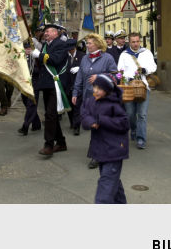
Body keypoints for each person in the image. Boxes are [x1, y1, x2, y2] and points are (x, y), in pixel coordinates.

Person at [81, 74, 129, 203]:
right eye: (94, 86)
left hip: (114, 150)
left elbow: (124, 124)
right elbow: (84, 114)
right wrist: (91, 121)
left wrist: (101, 120)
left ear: (107, 90)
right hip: (100, 150)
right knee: (112, 181)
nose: (95, 90)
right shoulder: (90, 101)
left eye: (99, 88)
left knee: (106, 187)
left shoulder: (114, 104)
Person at [72, 33, 117, 168]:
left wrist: (100, 76)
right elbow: (80, 77)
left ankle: (96, 155)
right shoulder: (85, 59)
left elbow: (117, 76)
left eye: (90, 43)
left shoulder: (107, 58)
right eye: (87, 43)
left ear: (97, 44)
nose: (88, 45)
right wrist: (75, 92)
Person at [27, 23, 70, 156]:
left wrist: (37, 54)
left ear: (56, 33)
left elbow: (55, 60)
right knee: (52, 115)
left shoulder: (60, 44)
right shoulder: (47, 45)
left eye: (49, 31)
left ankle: (49, 144)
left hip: (55, 84)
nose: (45, 33)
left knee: (50, 115)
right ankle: (61, 142)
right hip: (46, 84)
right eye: (45, 32)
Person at [117, 32, 157, 149]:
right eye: (133, 42)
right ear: (129, 42)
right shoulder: (124, 54)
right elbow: (120, 69)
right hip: (129, 87)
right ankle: (133, 129)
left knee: (142, 114)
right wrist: (124, 77)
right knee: (130, 114)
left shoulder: (146, 53)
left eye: (137, 41)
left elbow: (153, 67)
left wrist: (145, 70)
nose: (135, 44)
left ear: (140, 41)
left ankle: (141, 138)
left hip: (143, 87)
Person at [65, 40, 85, 136]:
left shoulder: (82, 56)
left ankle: (76, 126)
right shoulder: (65, 56)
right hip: (68, 84)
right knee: (69, 106)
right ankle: (72, 123)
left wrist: (80, 68)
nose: (71, 51)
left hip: (78, 85)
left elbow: (87, 68)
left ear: (75, 48)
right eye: (69, 50)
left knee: (77, 106)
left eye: (72, 49)